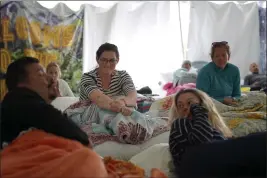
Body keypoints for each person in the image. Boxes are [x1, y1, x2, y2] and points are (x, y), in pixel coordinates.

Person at [1, 57, 89, 148]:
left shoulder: (17, 104)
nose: (50, 78)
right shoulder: (19, 100)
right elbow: (61, 124)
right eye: (40, 74)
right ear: (22, 85)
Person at [168, 88, 233, 176]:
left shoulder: (213, 129)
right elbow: (202, 144)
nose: (185, 108)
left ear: (203, 104)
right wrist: (199, 110)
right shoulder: (179, 124)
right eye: (180, 105)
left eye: (190, 103)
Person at [79, 42, 137, 115]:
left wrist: (122, 102)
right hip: (90, 117)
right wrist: (120, 107)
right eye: (104, 60)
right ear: (97, 59)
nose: (107, 64)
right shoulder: (88, 77)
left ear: (117, 60)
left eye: (112, 60)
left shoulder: (123, 75)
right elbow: (99, 99)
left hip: (117, 113)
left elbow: (133, 97)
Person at [196, 41, 241, 105]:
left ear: (229, 56)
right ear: (212, 58)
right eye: (217, 56)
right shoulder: (204, 72)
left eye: (223, 55)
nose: (220, 58)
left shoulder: (234, 70)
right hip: (210, 104)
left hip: (230, 103)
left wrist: (234, 99)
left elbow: (237, 94)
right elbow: (201, 98)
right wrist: (222, 100)